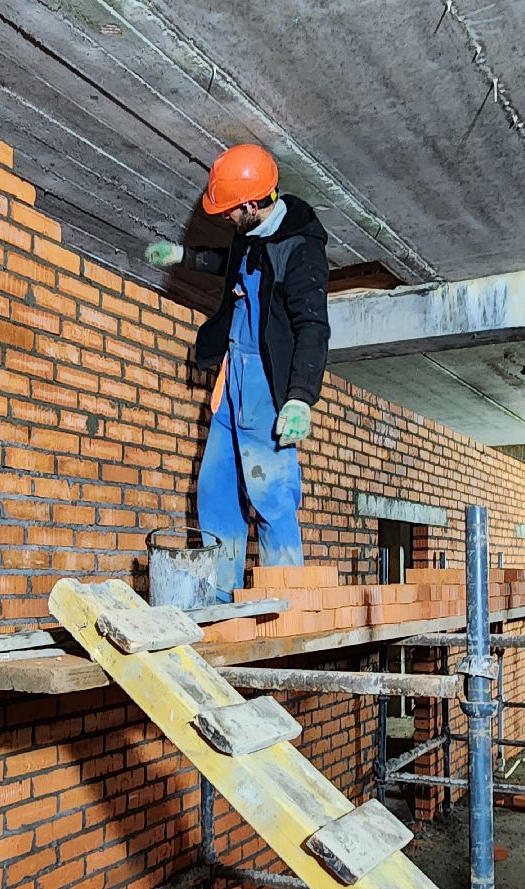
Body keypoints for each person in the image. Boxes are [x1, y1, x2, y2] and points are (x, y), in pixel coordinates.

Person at [144, 144, 331, 600]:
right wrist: (183, 256)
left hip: (266, 386)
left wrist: (300, 398)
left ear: (250, 205)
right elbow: (228, 265)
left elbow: (313, 326)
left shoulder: (301, 249)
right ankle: (220, 599)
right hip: (232, 384)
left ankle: (284, 601)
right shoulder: (249, 233)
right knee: (216, 492)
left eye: (230, 210)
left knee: (270, 494)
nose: (225, 217)